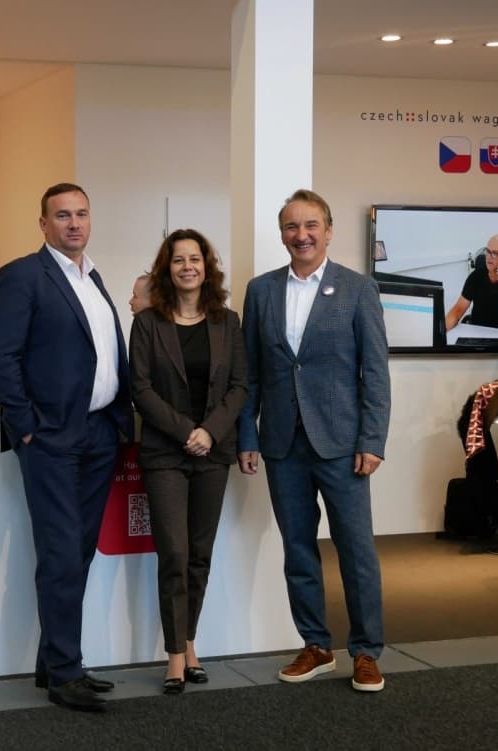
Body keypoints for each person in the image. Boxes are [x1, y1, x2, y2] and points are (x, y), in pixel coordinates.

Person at [0, 183, 133, 712]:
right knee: (61, 552)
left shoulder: (92, 277)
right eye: (63, 215)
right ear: (43, 224)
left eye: (81, 214)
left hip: (99, 434)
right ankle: (65, 671)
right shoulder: (24, 275)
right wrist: (26, 426)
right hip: (51, 438)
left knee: (79, 551)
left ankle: (56, 661)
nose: (74, 223)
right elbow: (1, 358)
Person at [236, 189, 391, 693]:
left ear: (328, 231)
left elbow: (375, 373)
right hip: (282, 445)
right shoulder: (260, 291)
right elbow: (250, 375)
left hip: (343, 444)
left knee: (356, 551)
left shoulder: (358, 289)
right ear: (282, 233)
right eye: (291, 226)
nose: (300, 235)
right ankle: (316, 646)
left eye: (310, 226)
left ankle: (365, 652)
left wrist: (373, 439)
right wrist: (247, 434)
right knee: (298, 549)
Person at [129, 229, 247, 695]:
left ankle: (190, 642)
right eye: (178, 260)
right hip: (165, 452)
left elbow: (239, 386)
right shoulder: (148, 323)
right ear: (167, 268)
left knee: (200, 553)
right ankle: (175, 655)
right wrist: (186, 432)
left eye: (194, 259)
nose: (187, 267)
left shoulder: (227, 322)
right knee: (174, 553)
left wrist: (210, 431)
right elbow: (140, 389)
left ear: (206, 266)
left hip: (213, 451)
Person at [445, 233, 498, 332]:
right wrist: (440, 332)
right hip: (476, 333)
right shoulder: (476, 276)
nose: (489, 257)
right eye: (488, 251)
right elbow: (457, 311)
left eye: (495, 253)